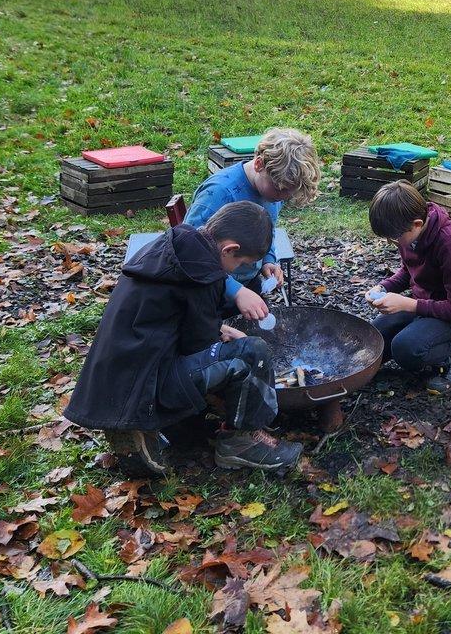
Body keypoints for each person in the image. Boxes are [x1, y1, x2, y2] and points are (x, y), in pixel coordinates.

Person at [65, 201, 303, 475]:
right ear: (229, 249)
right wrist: (223, 338)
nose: (235, 272)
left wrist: (221, 324)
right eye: (240, 264)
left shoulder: (178, 248)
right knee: (251, 353)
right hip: (147, 386)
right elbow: (198, 345)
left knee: (231, 349)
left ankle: (147, 425)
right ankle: (241, 442)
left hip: (116, 380)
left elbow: (176, 315)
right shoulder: (202, 273)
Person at [185, 127, 320, 320]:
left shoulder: (274, 190)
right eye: (281, 190)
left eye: (289, 193)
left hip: (247, 282)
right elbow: (190, 251)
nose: (282, 197)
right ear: (259, 165)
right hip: (208, 290)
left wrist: (268, 260)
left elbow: (266, 231)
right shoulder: (219, 194)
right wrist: (235, 291)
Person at [366, 180, 451, 392]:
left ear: (417, 224)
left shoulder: (450, 244)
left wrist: (408, 305)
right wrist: (383, 288)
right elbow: (408, 272)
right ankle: (416, 337)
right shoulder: (410, 236)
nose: (394, 242)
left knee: (405, 349)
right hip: (422, 305)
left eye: (395, 237)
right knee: (375, 336)